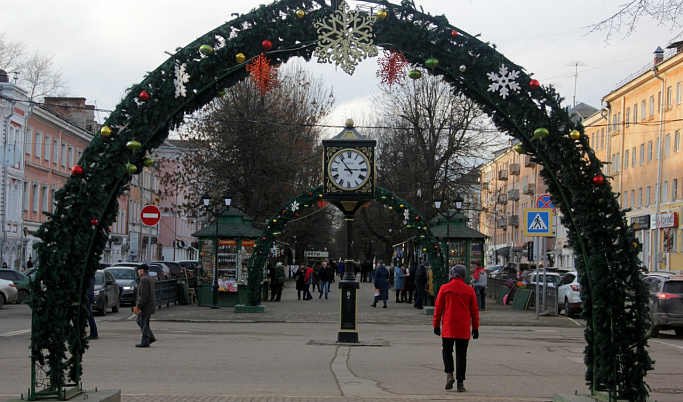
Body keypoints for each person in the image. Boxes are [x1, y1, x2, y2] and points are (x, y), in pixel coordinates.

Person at [433, 265, 480, 393]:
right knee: (461, 354)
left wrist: (436, 325)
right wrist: (475, 328)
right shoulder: (470, 290)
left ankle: (449, 374)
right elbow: (475, 311)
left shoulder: (444, 288)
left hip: (449, 326)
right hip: (463, 328)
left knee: (447, 351)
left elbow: (438, 308)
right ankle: (460, 383)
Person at [133, 264, 156, 348]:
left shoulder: (144, 280)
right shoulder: (149, 278)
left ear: (142, 271)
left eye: (139, 270)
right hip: (148, 305)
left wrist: (139, 305)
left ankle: (146, 340)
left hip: (145, 306)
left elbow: (143, 295)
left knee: (143, 322)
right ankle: (151, 337)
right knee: (141, 321)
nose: (138, 272)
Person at [87, 275, 99, 340]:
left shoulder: (89, 275)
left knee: (89, 315)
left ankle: (94, 333)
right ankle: (94, 332)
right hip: (88, 295)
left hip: (87, 296)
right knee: (89, 314)